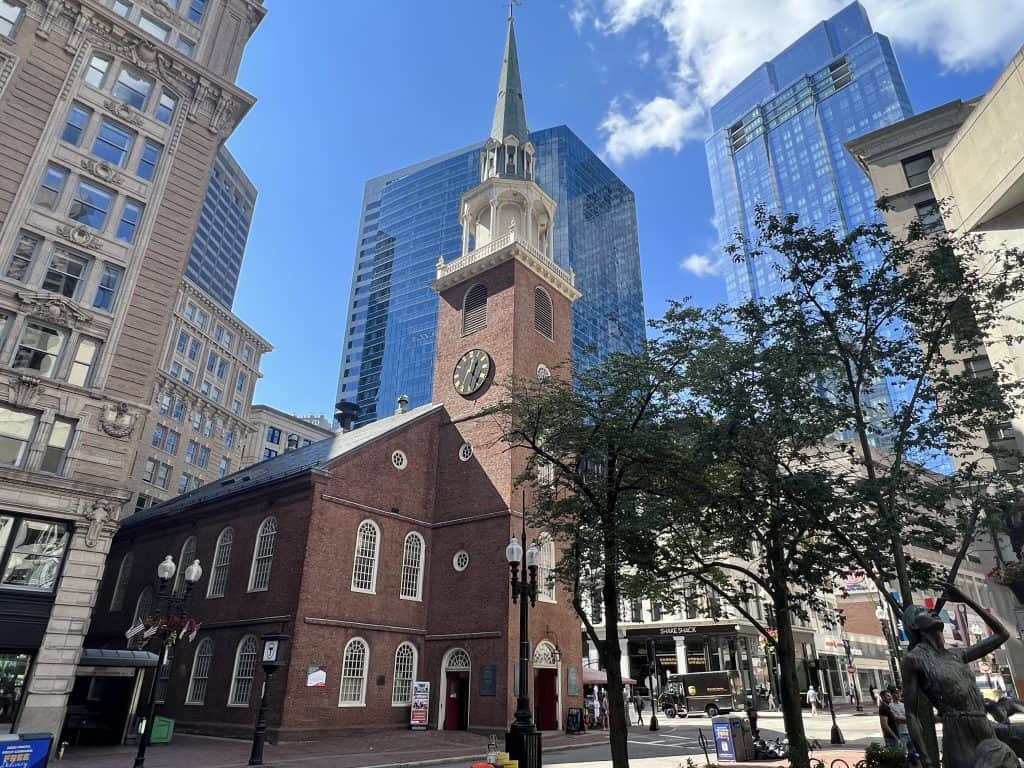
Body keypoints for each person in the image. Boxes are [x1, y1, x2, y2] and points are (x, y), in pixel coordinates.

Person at [903, 582, 1024, 768]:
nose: (931, 611)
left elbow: (1002, 634)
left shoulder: (957, 654)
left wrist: (967, 600)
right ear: (913, 625)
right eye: (923, 611)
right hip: (957, 732)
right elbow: (911, 713)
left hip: (984, 726)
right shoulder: (914, 659)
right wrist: (924, 756)